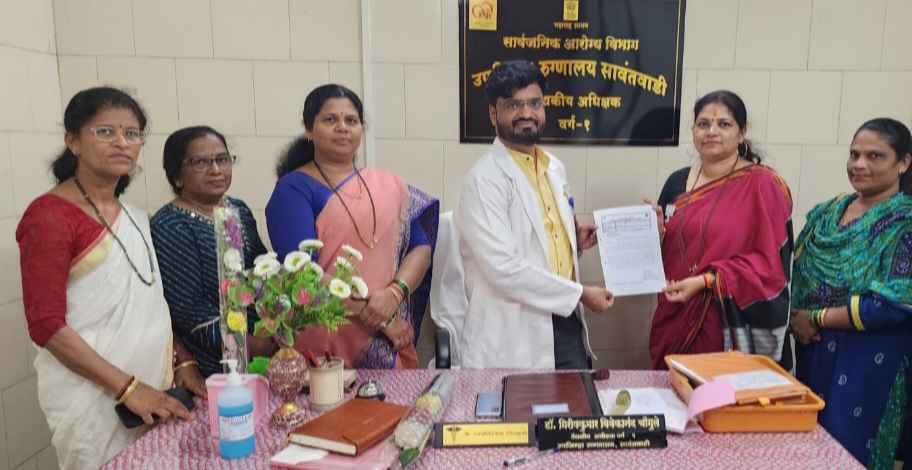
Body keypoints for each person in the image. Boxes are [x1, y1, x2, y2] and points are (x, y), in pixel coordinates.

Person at [15, 87, 194, 470]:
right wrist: (128, 389)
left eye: (132, 133)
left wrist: (182, 362)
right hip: (94, 400)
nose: (122, 142)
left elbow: (152, 303)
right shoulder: (49, 216)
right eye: (106, 131)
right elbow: (46, 325)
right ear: (73, 142)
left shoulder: (133, 215)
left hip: (153, 391)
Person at [789, 118, 912, 469]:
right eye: (854, 154)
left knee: (855, 455)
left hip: (872, 363)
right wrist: (795, 319)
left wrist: (815, 317)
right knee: (807, 454)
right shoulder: (826, 215)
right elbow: (797, 275)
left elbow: (894, 306)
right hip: (815, 353)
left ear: (903, 162)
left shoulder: (911, 226)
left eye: (875, 156)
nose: (859, 164)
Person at [454, 60, 614, 369]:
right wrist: (581, 293)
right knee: (521, 402)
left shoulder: (554, 167)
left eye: (534, 103)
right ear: (493, 114)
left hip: (564, 323)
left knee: (575, 399)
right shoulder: (483, 181)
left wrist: (574, 243)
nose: (526, 113)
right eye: (513, 104)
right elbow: (504, 268)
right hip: (513, 332)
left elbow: (538, 243)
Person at [265, 84, 438, 369]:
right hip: (325, 339)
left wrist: (394, 293)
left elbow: (420, 248)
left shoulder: (388, 185)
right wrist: (383, 318)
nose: (342, 127)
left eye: (351, 120)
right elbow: (303, 275)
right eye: (330, 119)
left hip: (388, 341)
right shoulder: (293, 189)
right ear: (309, 130)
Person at [647, 90, 794, 370]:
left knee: (718, 395)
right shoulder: (677, 181)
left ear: (742, 133)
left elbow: (771, 268)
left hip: (727, 323)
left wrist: (707, 281)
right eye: (703, 124)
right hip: (675, 313)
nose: (711, 131)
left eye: (724, 124)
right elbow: (667, 250)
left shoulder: (762, 185)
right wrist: (656, 233)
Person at [150, 126, 269, 384]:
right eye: (201, 162)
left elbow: (262, 269)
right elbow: (189, 310)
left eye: (222, 159)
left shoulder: (238, 210)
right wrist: (254, 345)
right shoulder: (170, 225)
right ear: (177, 176)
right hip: (211, 366)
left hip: (263, 352)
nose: (216, 169)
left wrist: (280, 324)